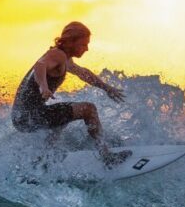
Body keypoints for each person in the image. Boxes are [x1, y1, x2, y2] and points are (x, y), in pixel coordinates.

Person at [11, 21, 131, 167]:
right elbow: (40, 65)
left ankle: (42, 162)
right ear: (71, 42)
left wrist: (106, 88)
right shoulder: (57, 55)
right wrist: (43, 86)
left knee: (63, 117)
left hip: (22, 117)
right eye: (83, 44)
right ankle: (106, 156)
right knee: (88, 109)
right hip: (29, 116)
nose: (86, 49)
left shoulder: (64, 58)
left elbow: (83, 73)